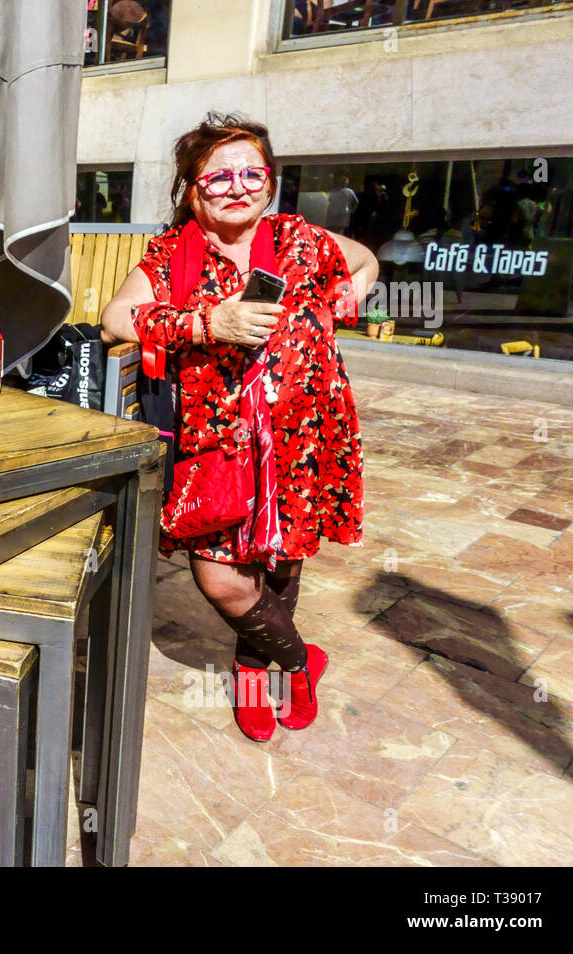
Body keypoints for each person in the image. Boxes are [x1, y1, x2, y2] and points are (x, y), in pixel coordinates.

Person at [101, 112, 377, 742]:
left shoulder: (301, 239)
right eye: (218, 177)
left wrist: (357, 285)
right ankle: (301, 664)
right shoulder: (173, 254)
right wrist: (206, 324)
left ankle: (258, 678)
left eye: (252, 173)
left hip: (305, 434)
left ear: (270, 181)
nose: (238, 187)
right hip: (221, 444)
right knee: (222, 577)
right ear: (192, 188)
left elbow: (364, 260)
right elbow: (117, 318)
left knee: (281, 565)